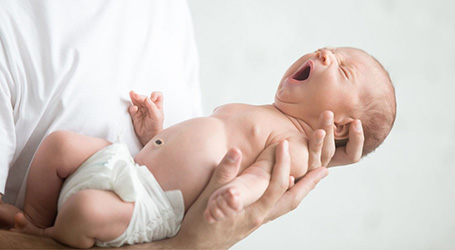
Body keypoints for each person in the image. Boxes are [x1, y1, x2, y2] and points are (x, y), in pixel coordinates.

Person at [0, 1, 366, 248]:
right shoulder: (255, 109)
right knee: (60, 145)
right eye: (329, 49)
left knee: (86, 211)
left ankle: (49, 236)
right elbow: (193, 148)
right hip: (129, 164)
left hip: (151, 203)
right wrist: (154, 135)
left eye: (343, 68)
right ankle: (31, 219)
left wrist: (237, 194)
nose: (324, 53)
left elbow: (261, 177)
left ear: (340, 128)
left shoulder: (294, 145)